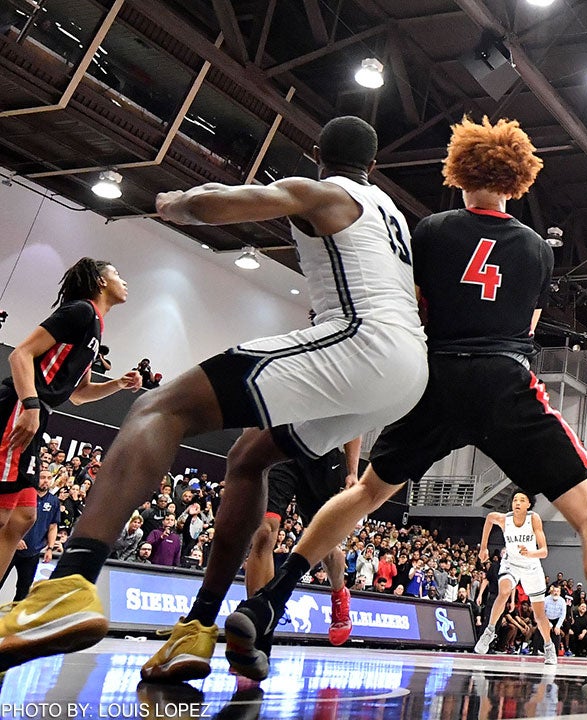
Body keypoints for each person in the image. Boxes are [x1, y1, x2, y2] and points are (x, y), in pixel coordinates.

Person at [219, 116, 587, 713]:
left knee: (365, 496)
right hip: (502, 379)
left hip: (433, 377)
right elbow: (527, 329)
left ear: (458, 172)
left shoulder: (428, 231)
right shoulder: (537, 250)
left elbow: (413, 304)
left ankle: (266, 601)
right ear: (518, 180)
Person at [0, 116, 430, 678]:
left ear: (318, 152)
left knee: (157, 407)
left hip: (361, 339)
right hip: (406, 374)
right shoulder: (391, 213)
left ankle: (71, 584)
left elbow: (224, 205)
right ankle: (197, 630)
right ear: (372, 166)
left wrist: (178, 201)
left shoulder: (322, 190)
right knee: (248, 456)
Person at [0, 258, 141, 595]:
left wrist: (118, 384)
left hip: (38, 410)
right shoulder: (79, 311)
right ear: (100, 281)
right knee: (2, 516)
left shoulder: (96, 326)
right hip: (21, 406)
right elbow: (20, 354)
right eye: (118, 273)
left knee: (22, 518)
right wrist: (31, 405)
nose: (124, 281)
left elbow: (79, 395)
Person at [245, 440, 361, 646]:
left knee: (326, 544)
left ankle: (339, 593)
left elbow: (356, 422)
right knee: (264, 532)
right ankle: (256, 623)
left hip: (323, 456)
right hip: (283, 449)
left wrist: (353, 472)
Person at [474, 492, 557, 665]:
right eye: (515, 500)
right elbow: (489, 518)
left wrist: (530, 553)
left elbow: (544, 551)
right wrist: (484, 548)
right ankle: (489, 632)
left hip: (531, 567)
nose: (517, 503)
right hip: (510, 564)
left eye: (522, 500)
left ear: (528, 505)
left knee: (539, 615)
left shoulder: (534, 519)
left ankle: (549, 647)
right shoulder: (505, 519)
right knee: (503, 592)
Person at [1, 471, 59, 601]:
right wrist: (16, 538)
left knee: (24, 589)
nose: (46, 481)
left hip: (32, 553)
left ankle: (14, 619)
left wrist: (50, 548)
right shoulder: (23, 494)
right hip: (11, 548)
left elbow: (53, 526)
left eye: (49, 478)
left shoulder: (54, 501)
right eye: (43, 477)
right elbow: (7, 518)